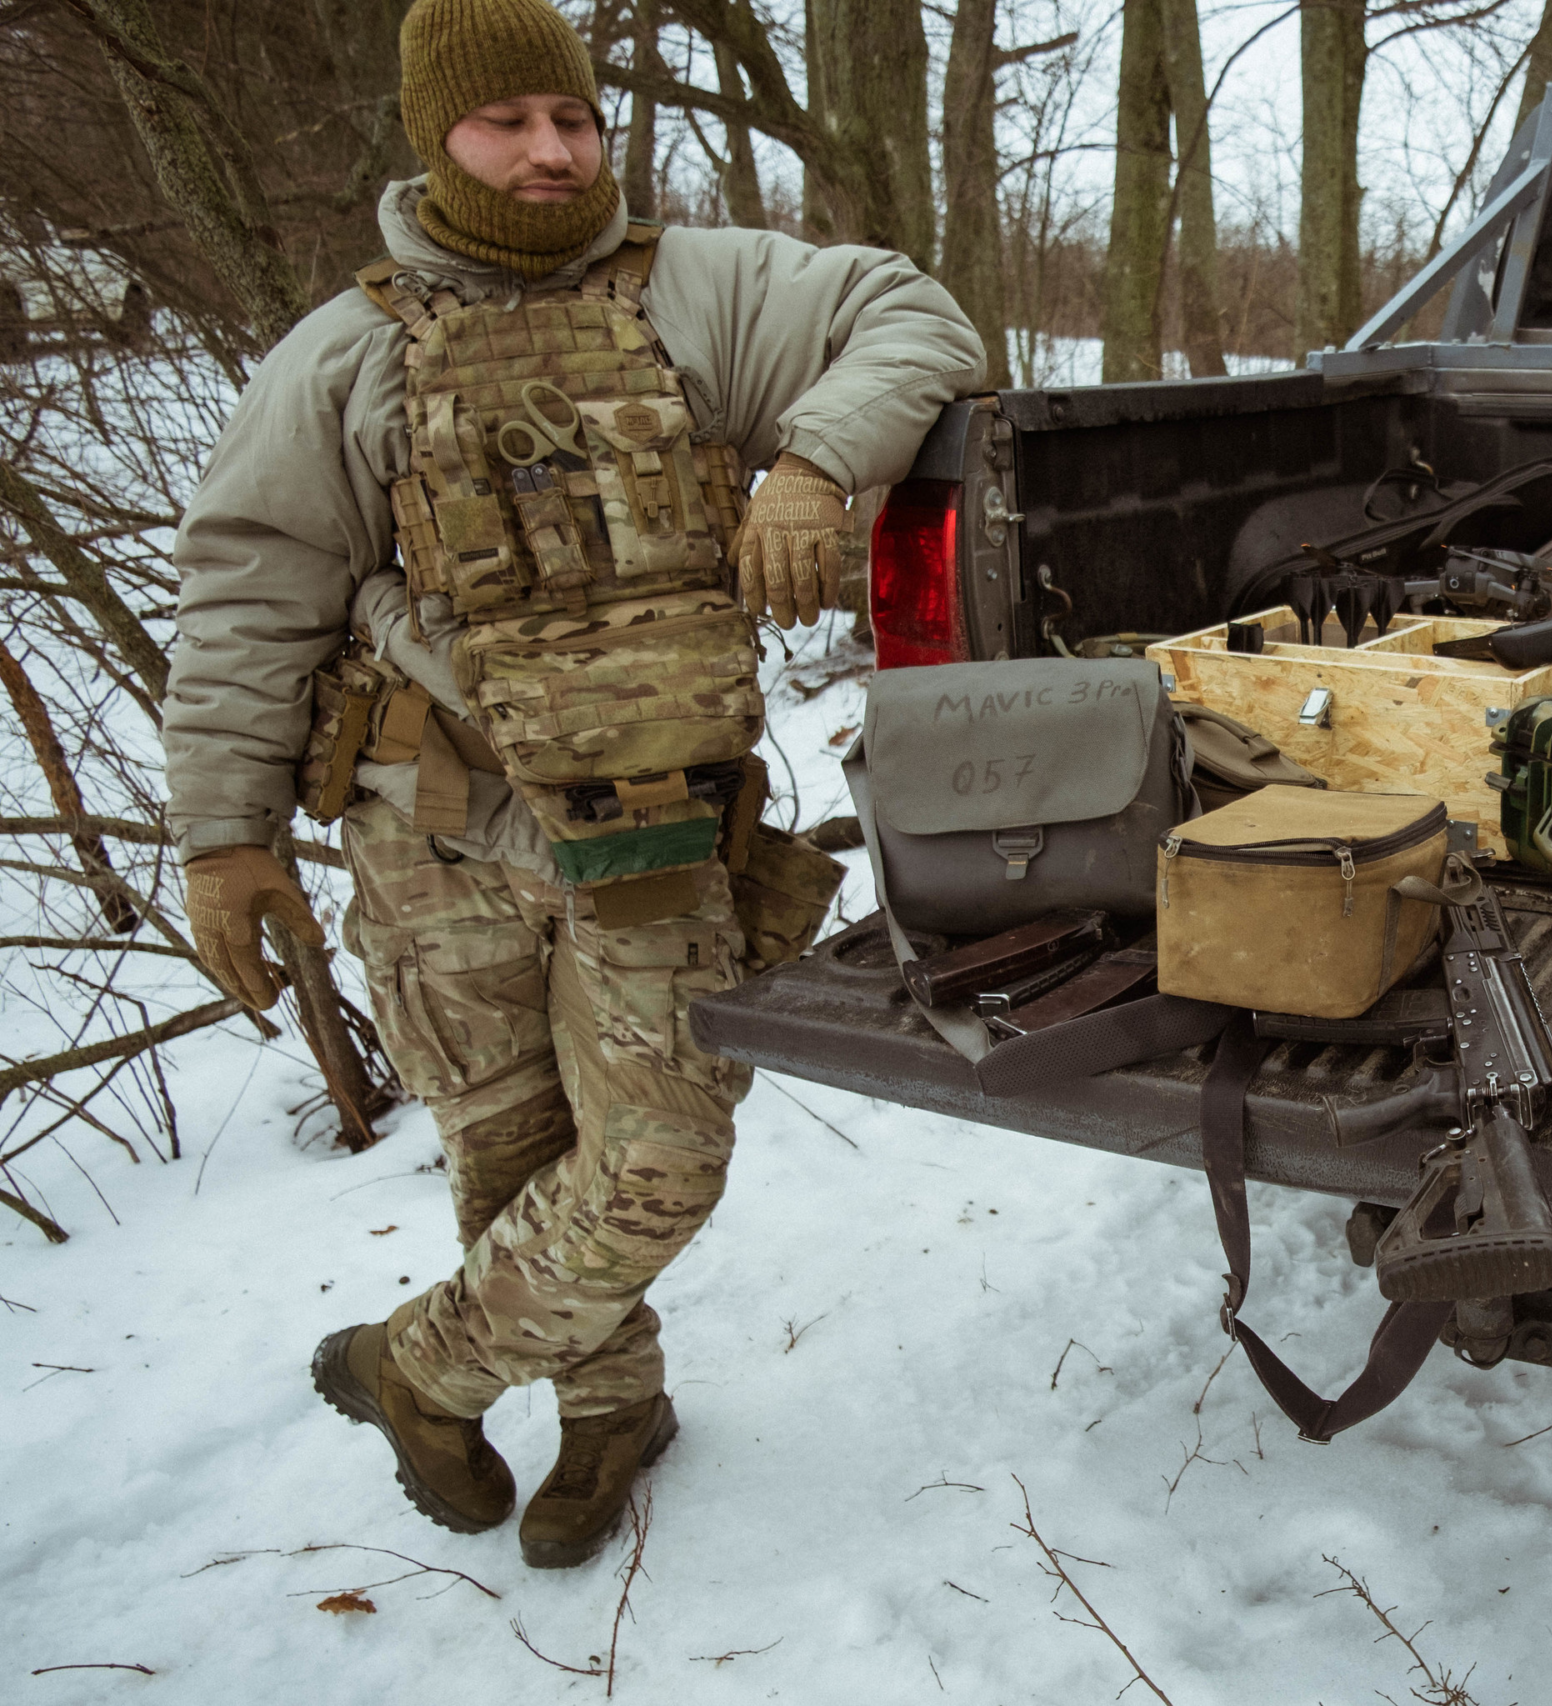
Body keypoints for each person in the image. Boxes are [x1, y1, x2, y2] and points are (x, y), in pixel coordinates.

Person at [164, 0, 981, 1567]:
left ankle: (417, 1368)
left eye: (575, 119)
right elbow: (249, 596)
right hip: (430, 825)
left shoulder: (699, 290)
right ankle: (612, 1408)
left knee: (661, 1151)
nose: (552, 151)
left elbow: (915, 316)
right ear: (436, 136)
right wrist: (222, 837)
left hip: (652, 822)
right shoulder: (345, 354)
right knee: (508, 1157)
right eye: (509, 122)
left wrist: (812, 461)